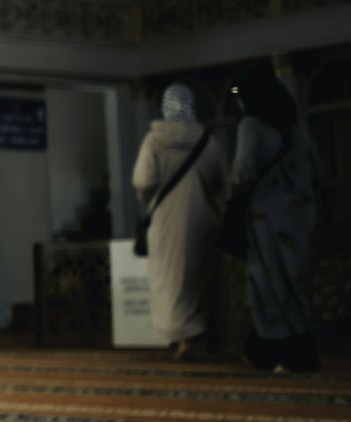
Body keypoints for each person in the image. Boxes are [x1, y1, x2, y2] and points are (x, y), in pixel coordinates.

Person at [228, 63, 321, 373]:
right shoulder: (296, 126)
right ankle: (285, 350)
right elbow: (317, 170)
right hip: (300, 216)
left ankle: (282, 352)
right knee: (294, 282)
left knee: (268, 284)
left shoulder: (250, 126)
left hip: (264, 218)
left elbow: (242, 173)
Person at [131, 82, 228, 360]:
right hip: (202, 221)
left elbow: (143, 180)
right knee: (198, 279)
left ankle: (178, 335)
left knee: (168, 281)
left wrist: (149, 198)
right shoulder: (206, 141)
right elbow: (219, 180)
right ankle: (195, 335)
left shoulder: (154, 140)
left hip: (164, 222)